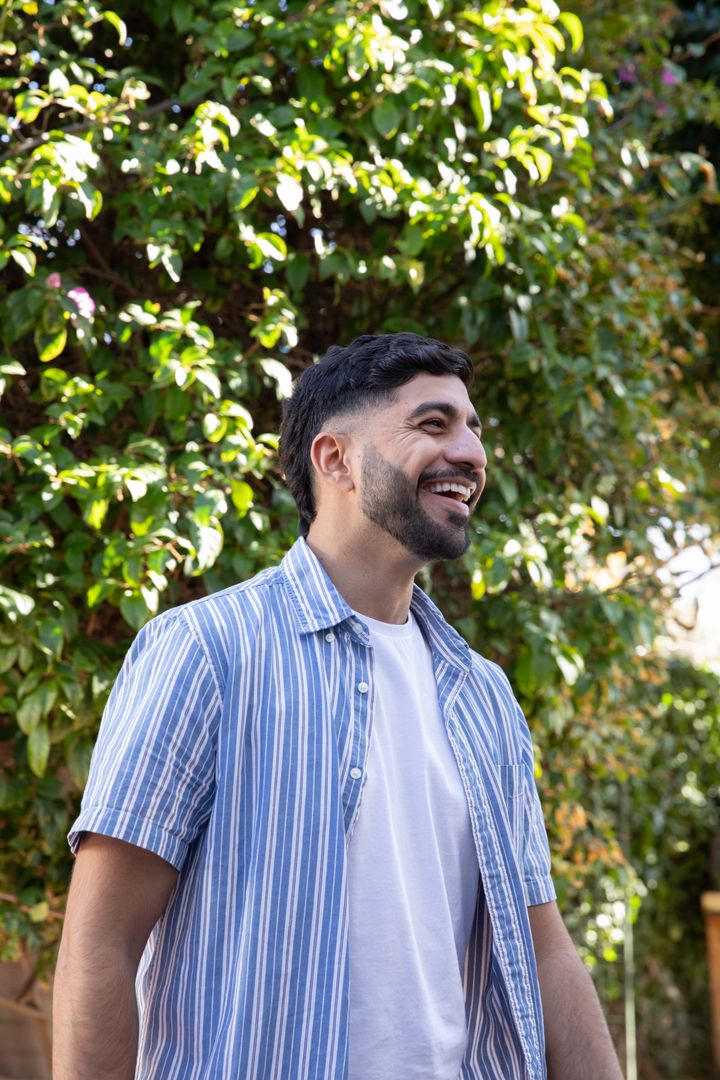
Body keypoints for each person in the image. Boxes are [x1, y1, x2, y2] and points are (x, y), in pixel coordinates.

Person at [53, 332, 623, 1080]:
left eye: (474, 428)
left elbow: (542, 946)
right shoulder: (208, 651)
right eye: (433, 423)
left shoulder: (482, 694)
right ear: (334, 459)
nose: (472, 452)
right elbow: (101, 945)